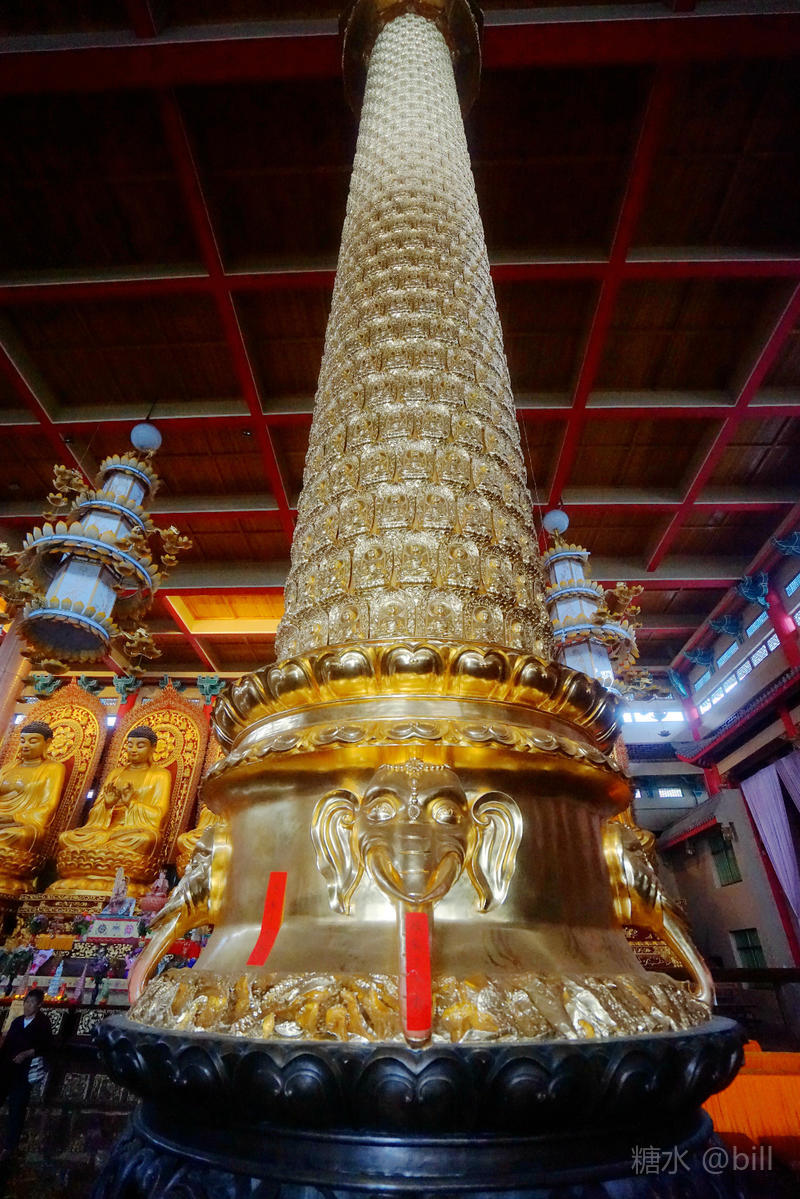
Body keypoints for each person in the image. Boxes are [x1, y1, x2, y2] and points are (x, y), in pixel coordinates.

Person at [0, 987, 53, 1161]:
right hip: (8, 1068)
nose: (28, 1006)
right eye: (26, 1002)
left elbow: (46, 1046)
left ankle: (10, 1145)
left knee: (17, 1107)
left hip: (25, 1071)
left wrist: (27, 1053)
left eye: (32, 1003)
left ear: (39, 1005)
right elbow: (7, 1045)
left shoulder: (42, 1023)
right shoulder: (17, 1022)